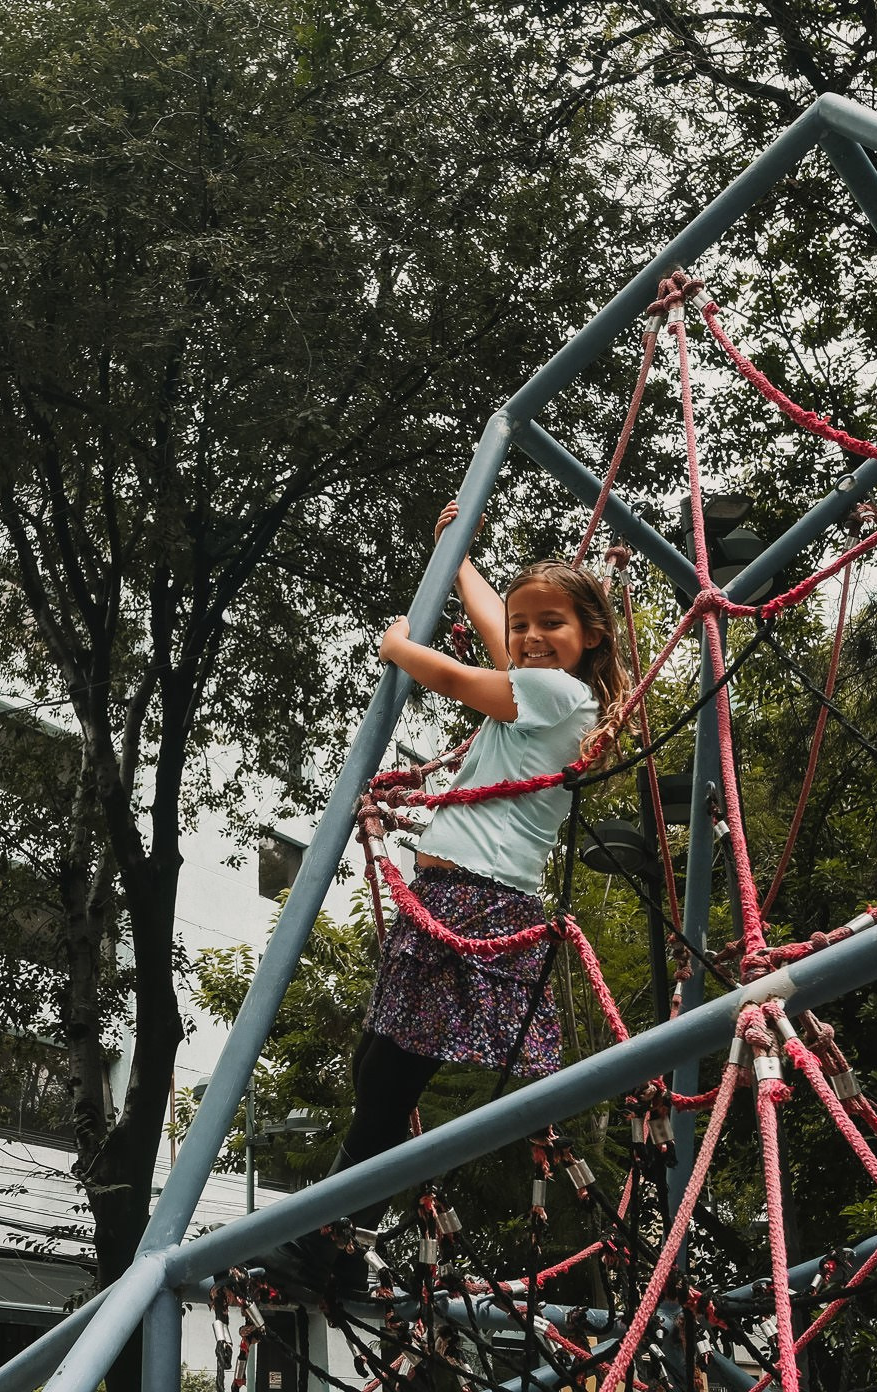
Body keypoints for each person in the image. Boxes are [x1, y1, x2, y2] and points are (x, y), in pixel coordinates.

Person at [286, 502, 630, 1284]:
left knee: (389, 1079)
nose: (533, 638)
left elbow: (456, 673)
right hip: (451, 897)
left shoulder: (564, 698)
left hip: (480, 900)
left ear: (592, 638)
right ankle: (338, 1238)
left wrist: (401, 648)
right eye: (525, 625)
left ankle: (329, 1243)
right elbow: (492, 635)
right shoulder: (537, 685)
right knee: (377, 1068)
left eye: (554, 624)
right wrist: (459, 553)